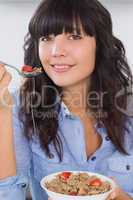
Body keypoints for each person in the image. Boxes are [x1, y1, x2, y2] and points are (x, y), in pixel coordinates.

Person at [0, 0, 133, 199]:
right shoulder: (19, 107)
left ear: (100, 45)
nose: (56, 51)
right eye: (46, 38)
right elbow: (9, 193)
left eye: (74, 36)